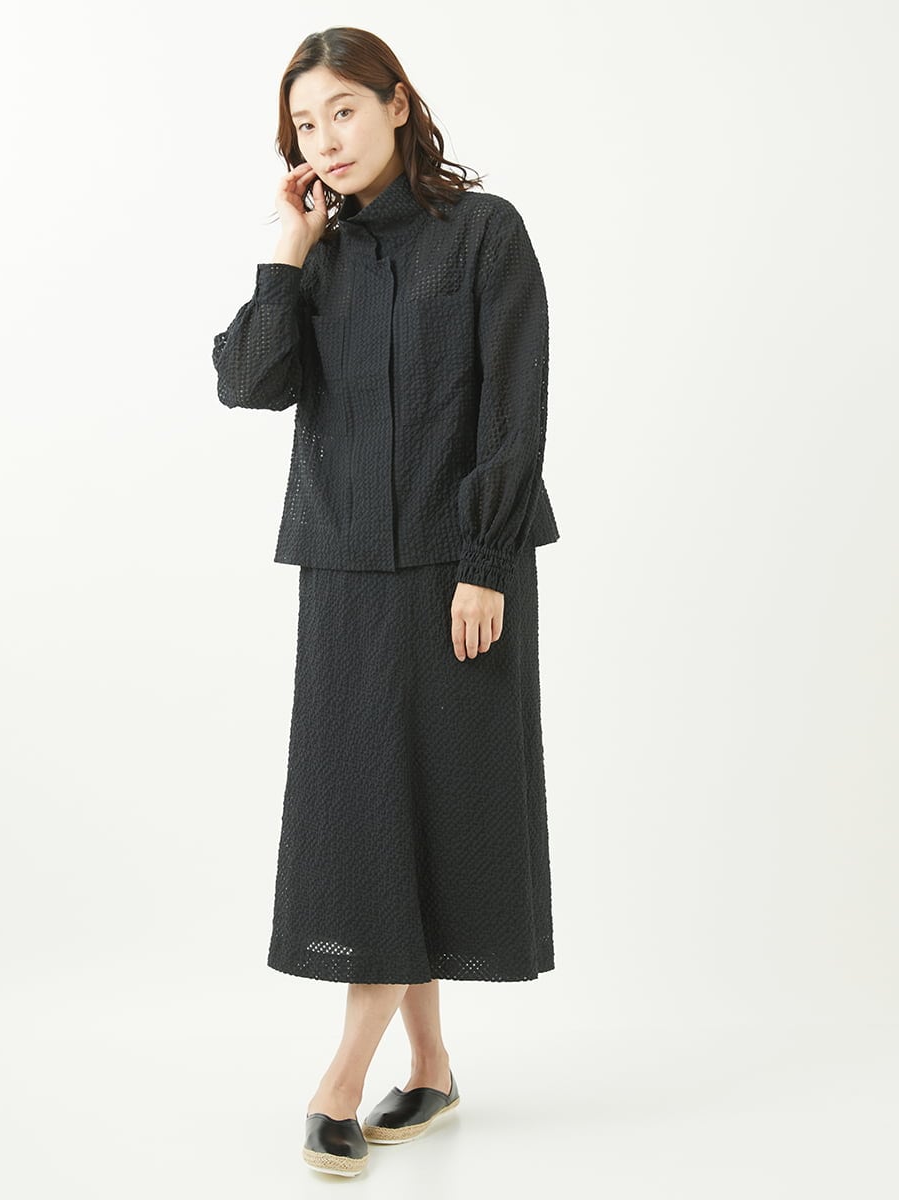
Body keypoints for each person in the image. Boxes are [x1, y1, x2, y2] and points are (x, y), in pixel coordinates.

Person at [211, 27, 560, 1178]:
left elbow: (512, 410)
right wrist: (288, 248)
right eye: (305, 125)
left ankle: (340, 1081)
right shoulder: (323, 254)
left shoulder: (484, 234)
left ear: (398, 103)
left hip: (459, 576)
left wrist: (486, 562)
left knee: (430, 814)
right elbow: (247, 383)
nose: (326, 139)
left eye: (344, 111)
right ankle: (433, 1067)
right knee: (369, 822)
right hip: (345, 575)